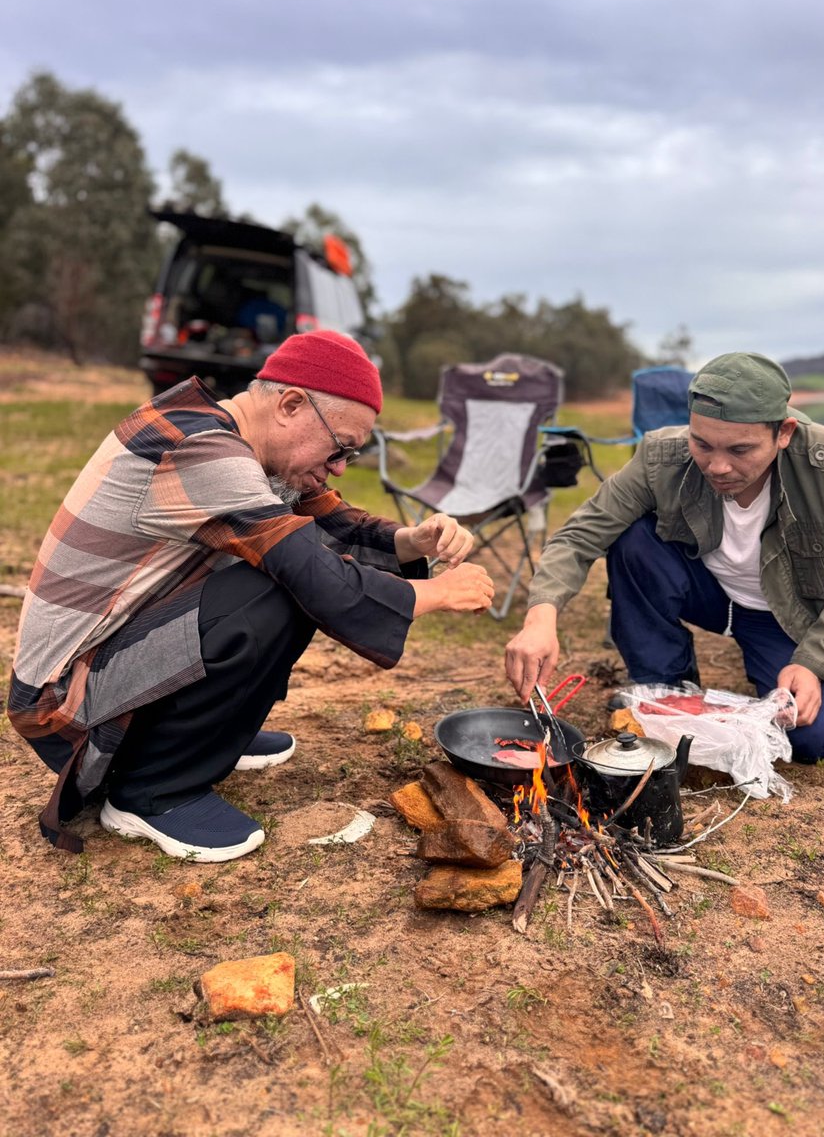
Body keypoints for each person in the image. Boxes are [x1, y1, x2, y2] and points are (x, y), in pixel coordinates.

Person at [8, 330, 494, 861]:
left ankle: (208, 740)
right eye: (341, 448)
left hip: (105, 660)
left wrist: (411, 541)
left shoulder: (237, 442)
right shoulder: (200, 449)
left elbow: (328, 518)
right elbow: (314, 573)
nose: (339, 467)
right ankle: (149, 790)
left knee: (288, 570)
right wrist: (435, 593)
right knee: (278, 587)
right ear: (290, 404)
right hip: (63, 705)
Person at [506, 352, 824, 763]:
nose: (718, 465)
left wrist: (815, 663)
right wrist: (541, 617)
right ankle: (666, 683)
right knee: (634, 539)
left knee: (813, 738)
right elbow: (578, 536)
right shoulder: (662, 456)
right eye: (702, 444)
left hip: (796, 619)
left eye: (740, 449)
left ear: (783, 432)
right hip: (711, 594)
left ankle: (776, 666)